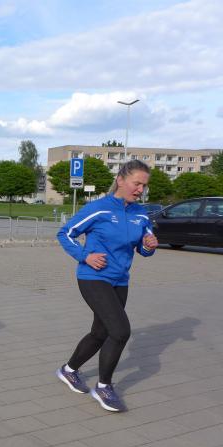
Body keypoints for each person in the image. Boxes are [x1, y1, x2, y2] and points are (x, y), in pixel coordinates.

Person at [55, 160, 158, 412]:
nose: (140, 190)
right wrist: (84, 256)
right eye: (136, 183)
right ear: (121, 180)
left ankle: (68, 370)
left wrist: (149, 246)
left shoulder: (141, 214)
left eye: (144, 186)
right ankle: (104, 387)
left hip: (120, 280)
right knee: (120, 331)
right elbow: (65, 233)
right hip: (93, 277)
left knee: (100, 333)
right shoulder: (98, 209)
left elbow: (143, 250)